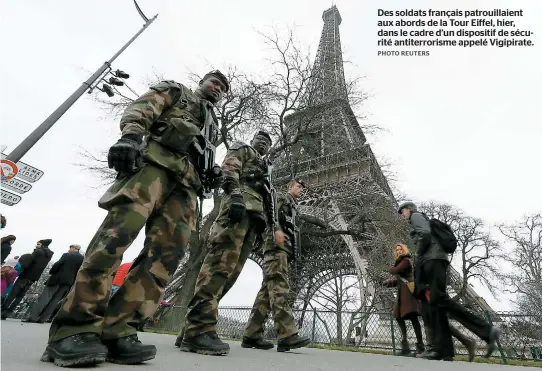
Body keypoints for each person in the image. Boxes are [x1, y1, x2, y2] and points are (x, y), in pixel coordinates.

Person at [41, 70, 229, 368]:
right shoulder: (178, 91)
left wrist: (212, 171)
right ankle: (75, 328)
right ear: (202, 82)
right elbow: (145, 107)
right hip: (152, 165)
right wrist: (130, 136)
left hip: (186, 187)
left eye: (223, 88)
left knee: (166, 256)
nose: (218, 88)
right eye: (214, 82)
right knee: (116, 238)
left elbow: (202, 152)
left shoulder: (212, 126)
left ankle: (120, 330)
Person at [180, 130, 274, 356]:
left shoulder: (265, 167)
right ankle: (198, 330)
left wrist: (264, 226)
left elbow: (267, 199)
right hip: (236, 212)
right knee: (218, 267)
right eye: (260, 139)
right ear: (253, 141)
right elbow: (229, 169)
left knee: (230, 275)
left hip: (253, 221)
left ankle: (191, 327)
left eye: (267, 142)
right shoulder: (243, 148)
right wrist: (236, 195)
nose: (263, 143)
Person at [398, 201, 501, 361]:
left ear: (409, 209)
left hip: (432, 260)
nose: (402, 214)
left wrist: (418, 254)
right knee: (436, 304)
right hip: (434, 260)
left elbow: (424, 233)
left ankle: (487, 330)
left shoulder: (416, 216)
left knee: (439, 299)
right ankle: (443, 351)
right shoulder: (421, 219)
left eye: (403, 211)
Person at [242, 178, 311, 352]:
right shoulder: (281, 198)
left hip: (282, 250)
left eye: (303, 187)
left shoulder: (293, 206)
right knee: (279, 287)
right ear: (289, 187)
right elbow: (269, 214)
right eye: (298, 186)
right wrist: (277, 230)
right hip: (276, 248)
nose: (301, 189)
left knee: (266, 293)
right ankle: (287, 334)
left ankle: (252, 334)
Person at [23, 244, 84, 323]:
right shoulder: (82, 259)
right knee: (55, 300)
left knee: (45, 297)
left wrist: (52, 271)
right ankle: (43, 319)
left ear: (74, 248)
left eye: (70, 248)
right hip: (68, 282)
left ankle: (33, 317)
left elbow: (58, 264)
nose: (69, 249)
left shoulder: (67, 255)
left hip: (57, 279)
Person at [382, 243, 424, 356]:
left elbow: (394, 271)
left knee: (413, 318)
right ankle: (405, 345)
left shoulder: (406, 261)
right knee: (397, 316)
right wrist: (389, 282)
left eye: (400, 249)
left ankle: (420, 346)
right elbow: (399, 280)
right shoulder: (399, 263)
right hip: (403, 295)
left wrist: (390, 268)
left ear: (404, 250)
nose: (399, 251)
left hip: (409, 295)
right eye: (397, 250)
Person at [1, 239, 54, 319]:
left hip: (25, 275)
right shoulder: (49, 255)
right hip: (34, 277)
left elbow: (28, 262)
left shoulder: (37, 252)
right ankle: (8, 313)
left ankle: (2, 310)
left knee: (13, 294)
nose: (36, 245)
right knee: (20, 296)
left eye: (38, 244)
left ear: (42, 245)